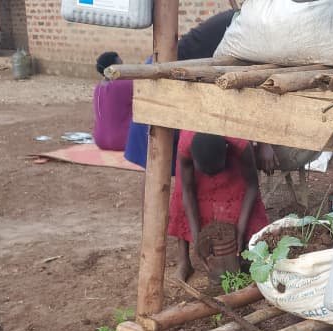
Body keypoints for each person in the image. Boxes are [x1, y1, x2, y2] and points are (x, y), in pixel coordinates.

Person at [124, 10, 238, 170]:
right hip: (166, 76)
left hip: (178, 78)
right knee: (156, 160)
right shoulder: (243, 25)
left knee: (173, 162)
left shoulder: (243, 21)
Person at [168, 131, 268, 281]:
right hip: (195, 158)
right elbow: (187, 191)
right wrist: (197, 240)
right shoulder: (185, 147)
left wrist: (240, 232)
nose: (210, 177)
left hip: (229, 158)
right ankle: (184, 261)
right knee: (180, 196)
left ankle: (244, 250)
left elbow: (252, 186)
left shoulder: (240, 144)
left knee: (238, 198)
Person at [92, 51, 133, 151]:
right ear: (114, 68)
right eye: (120, 64)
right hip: (124, 141)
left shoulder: (98, 87)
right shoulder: (127, 84)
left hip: (100, 141)